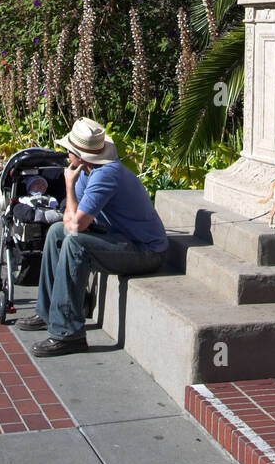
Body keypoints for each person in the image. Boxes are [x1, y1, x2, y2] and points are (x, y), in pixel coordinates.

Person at [20, 118, 168, 357]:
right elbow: (70, 222)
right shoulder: (88, 171)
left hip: (147, 251)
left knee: (74, 243)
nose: (66, 152)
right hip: (119, 239)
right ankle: (47, 312)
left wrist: (68, 186)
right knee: (58, 233)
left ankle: (68, 334)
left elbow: (77, 225)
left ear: (79, 155)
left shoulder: (105, 174)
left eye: (69, 149)